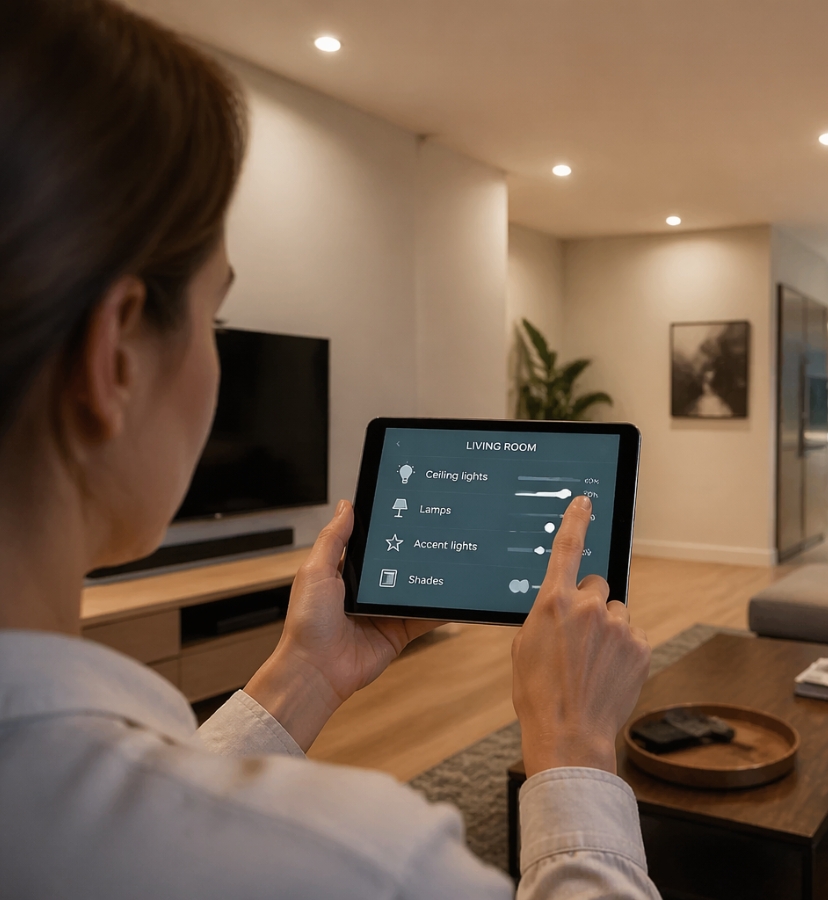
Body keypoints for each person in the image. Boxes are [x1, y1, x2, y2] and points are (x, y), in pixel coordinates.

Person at [0, 1, 659, 897]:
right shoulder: (357, 864)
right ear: (115, 354)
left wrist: (303, 675)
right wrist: (576, 744)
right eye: (213, 317)